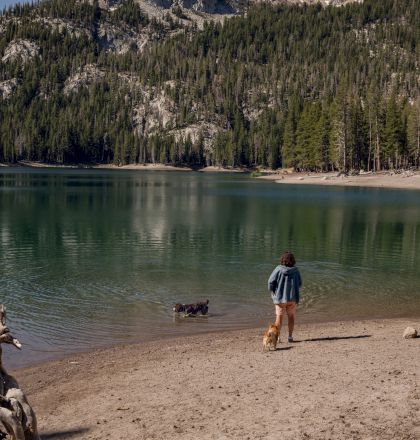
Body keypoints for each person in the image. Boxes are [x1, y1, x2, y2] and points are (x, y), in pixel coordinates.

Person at [267, 251, 302, 343]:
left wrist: (272, 292)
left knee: (279, 317)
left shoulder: (278, 269)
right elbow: (300, 283)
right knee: (291, 317)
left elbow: (270, 282)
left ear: (283, 260)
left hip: (280, 298)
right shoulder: (296, 270)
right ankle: (290, 337)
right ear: (293, 261)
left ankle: (278, 338)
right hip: (292, 298)